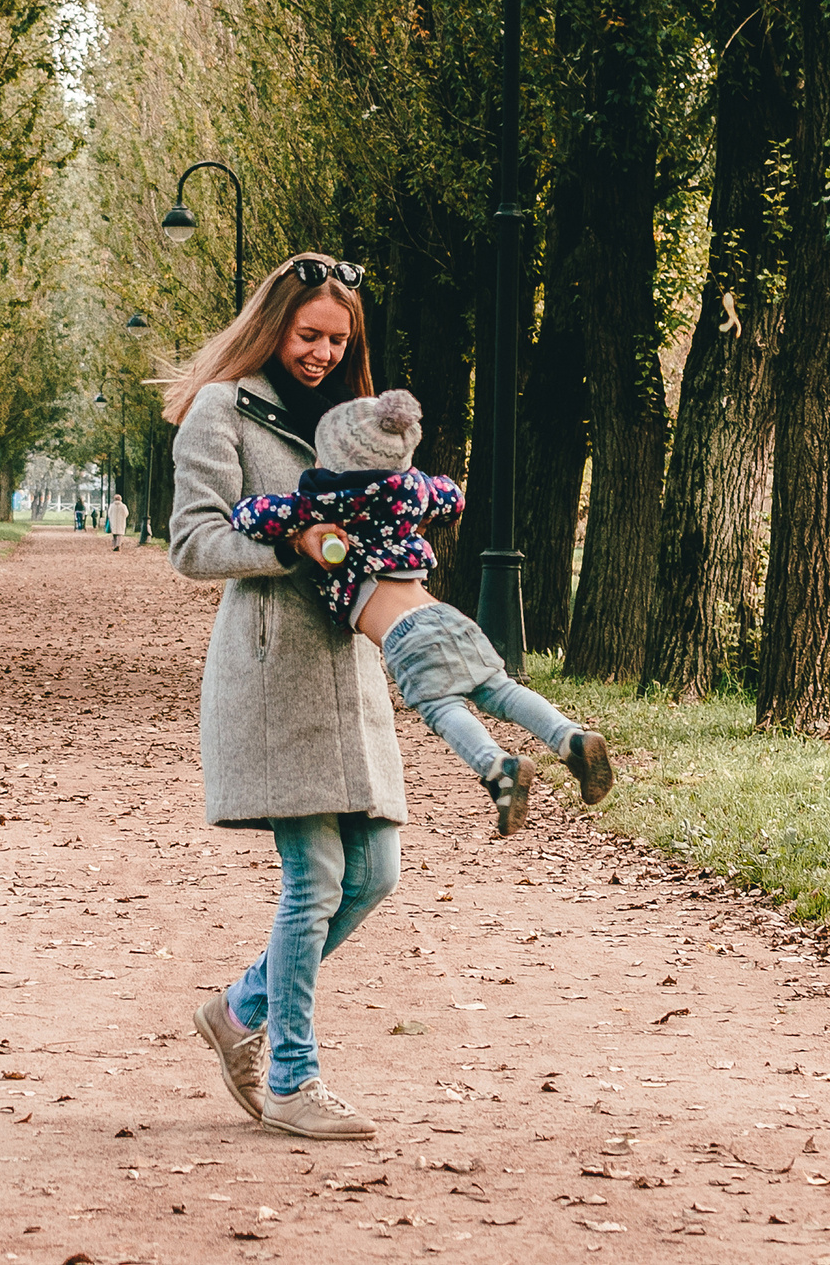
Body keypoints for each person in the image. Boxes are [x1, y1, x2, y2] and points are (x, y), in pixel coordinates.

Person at [165, 252, 398, 1142]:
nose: (324, 354)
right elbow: (192, 543)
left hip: (350, 671)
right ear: (274, 326)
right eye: (309, 336)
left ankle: (235, 1012)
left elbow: (383, 523)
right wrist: (294, 542)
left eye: (339, 340)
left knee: (376, 873)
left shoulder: (358, 419)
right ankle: (295, 1077)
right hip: (272, 673)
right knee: (316, 879)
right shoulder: (222, 409)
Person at [227, 389, 613, 837]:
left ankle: (498, 768)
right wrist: (423, 506)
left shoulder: (329, 501)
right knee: (498, 690)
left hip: (403, 634)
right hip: (446, 616)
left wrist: (281, 519)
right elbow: (452, 496)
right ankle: (571, 738)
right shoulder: (414, 492)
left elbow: (255, 515)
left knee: (439, 706)